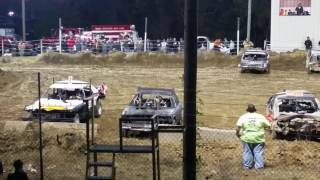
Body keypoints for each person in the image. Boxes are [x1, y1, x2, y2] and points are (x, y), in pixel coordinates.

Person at [236, 104, 270, 169]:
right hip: (258, 137)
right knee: (258, 152)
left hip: (247, 137)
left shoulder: (243, 117)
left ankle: (247, 166)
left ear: (247, 110)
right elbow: (268, 126)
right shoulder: (260, 116)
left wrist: (238, 134)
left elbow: (238, 128)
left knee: (247, 152)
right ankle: (259, 167)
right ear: (255, 110)